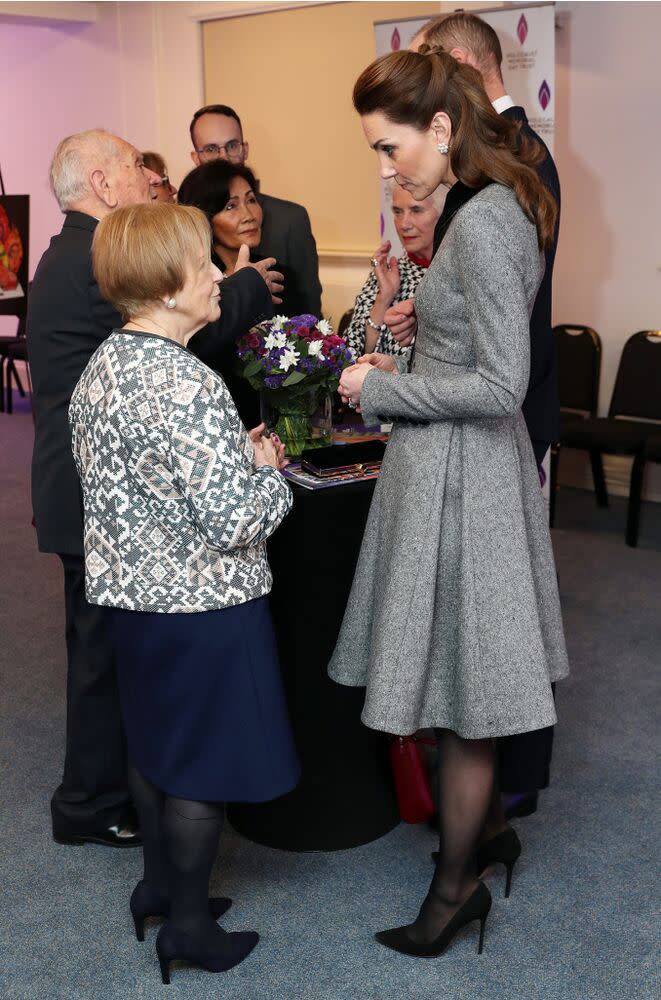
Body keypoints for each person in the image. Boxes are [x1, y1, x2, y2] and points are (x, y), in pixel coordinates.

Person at [329, 49, 569, 958]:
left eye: (392, 150)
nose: (388, 171)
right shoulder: (475, 206)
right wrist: (406, 362)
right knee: (450, 683)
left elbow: (503, 385)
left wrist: (375, 387)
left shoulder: (484, 221)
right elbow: (470, 356)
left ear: (440, 128)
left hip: (467, 480)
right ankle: (486, 840)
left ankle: (454, 889)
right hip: (449, 472)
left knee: (464, 697)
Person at [27, 128, 283, 850]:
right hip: (96, 497)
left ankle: (107, 798)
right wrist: (241, 288)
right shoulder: (95, 259)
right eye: (135, 166)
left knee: (105, 660)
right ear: (104, 186)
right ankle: (91, 802)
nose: (148, 175)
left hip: (81, 485)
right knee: (105, 665)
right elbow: (174, 331)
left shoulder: (71, 251)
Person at [70, 201, 299, 984]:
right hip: (203, 611)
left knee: (155, 754)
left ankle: (159, 890)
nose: (217, 276)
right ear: (168, 285)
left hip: (131, 607)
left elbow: (135, 482)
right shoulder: (190, 384)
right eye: (204, 263)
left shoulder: (103, 365)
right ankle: (192, 928)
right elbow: (235, 520)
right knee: (200, 771)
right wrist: (268, 476)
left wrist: (226, 455)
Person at [412, 11, 563, 822]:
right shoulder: (499, 153)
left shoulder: (514, 157)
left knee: (508, 613)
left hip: (504, 405)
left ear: (460, 65)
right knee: (498, 609)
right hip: (495, 394)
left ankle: (512, 781)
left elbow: (507, 316)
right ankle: (495, 782)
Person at [190, 103, 323, 316]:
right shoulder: (190, 256)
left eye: (232, 145)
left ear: (245, 148)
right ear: (195, 158)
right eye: (212, 149)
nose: (223, 157)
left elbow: (309, 316)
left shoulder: (289, 220)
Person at [178, 159, 280, 427]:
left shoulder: (276, 274)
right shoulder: (193, 285)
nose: (249, 215)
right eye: (231, 206)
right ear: (205, 217)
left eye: (251, 200)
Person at [344, 182, 442, 361]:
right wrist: (383, 298)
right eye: (397, 211)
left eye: (416, 210)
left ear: (442, 213)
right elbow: (349, 357)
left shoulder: (456, 275)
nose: (404, 224)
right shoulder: (388, 272)